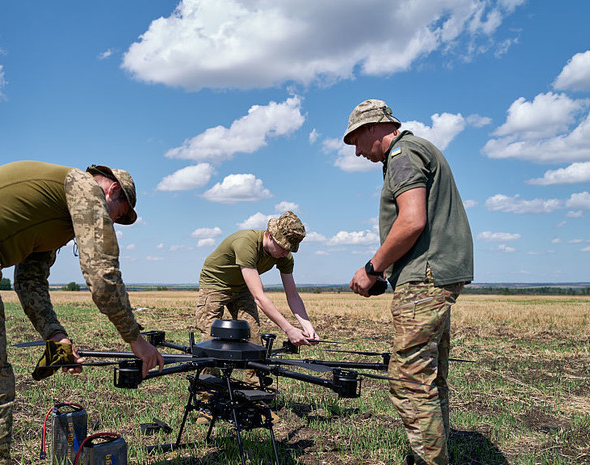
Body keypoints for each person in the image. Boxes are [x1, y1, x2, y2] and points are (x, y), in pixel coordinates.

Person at [0, 161, 165, 465]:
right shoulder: (85, 188)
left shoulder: (55, 207)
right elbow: (102, 276)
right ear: (113, 191)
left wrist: (56, 336)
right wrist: (137, 340)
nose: (107, 223)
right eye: (114, 217)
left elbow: (29, 281)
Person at [343, 100, 473, 465]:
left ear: (372, 127)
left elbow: (412, 220)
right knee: (429, 378)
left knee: (409, 380)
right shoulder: (420, 149)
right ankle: (432, 454)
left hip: (424, 277)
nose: (356, 152)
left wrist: (372, 269)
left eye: (355, 140)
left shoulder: (402, 154)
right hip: (438, 273)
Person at [195, 210, 319, 354]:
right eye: (284, 247)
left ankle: (253, 377)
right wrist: (289, 329)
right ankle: (209, 376)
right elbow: (259, 297)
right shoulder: (246, 244)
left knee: (253, 338)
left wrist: (308, 327)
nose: (286, 253)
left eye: (290, 249)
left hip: (241, 287)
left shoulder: (284, 256)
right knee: (211, 340)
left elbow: (292, 296)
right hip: (215, 283)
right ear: (270, 235)